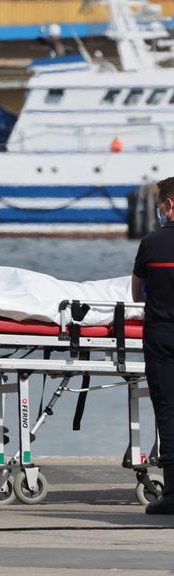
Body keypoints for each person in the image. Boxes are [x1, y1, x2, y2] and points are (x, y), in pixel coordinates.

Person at [132, 175, 174, 515]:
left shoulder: (152, 243)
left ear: (168, 205)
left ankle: (173, 493)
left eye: (160, 204)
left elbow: (136, 293)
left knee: (169, 411)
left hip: (162, 335)